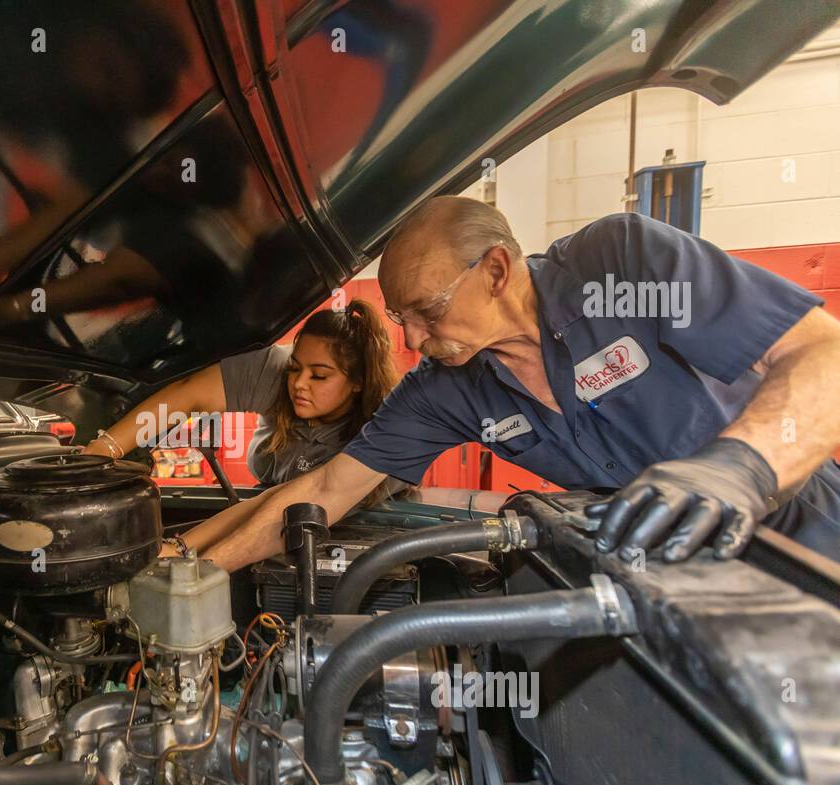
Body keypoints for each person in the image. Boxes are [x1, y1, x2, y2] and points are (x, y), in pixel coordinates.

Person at [200, 196, 840, 572]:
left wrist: (738, 470)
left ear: (498, 270)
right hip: (668, 575)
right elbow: (325, 488)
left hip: (806, 538)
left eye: (428, 309)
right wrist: (194, 573)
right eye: (402, 319)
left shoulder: (618, 264)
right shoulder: (445, 389)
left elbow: (822, 352)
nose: (414, 340)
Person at [84, 301, 404, 555]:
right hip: (273, 498)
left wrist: (180, 548)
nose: (299, 384)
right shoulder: (277, 370)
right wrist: (103, 450)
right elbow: (188, 395)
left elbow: (279, 505)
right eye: (295, 368)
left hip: (357, 517)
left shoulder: (381, 436)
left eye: (319, 376)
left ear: (358, 383)